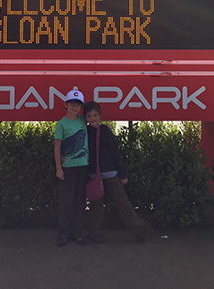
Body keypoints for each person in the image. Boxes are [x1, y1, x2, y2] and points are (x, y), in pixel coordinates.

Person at [83, 101, 149, 243]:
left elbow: (116, 154)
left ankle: (139, 229)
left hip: (111, 173)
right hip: (94, 175)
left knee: (122, 203)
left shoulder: (106, 132)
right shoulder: (85, 132)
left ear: (100, 116)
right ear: (85, 118)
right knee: (95, 206)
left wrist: (122, 174)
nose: (93, 118)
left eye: (95, 115)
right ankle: (94, 233)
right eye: (89, 116)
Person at [54, 86, 88, 247]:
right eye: (72, 103)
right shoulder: (61, 124)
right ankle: (63, 233)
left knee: (80, 201)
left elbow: (95, 123)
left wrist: (105, 126)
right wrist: (58, 168)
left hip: (83, 167)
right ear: (65, 104)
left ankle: (78, 233)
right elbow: (57, 147)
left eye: (78, 104)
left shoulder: (83, 120)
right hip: (68, 168)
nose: (75, 107)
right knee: (66, 202)